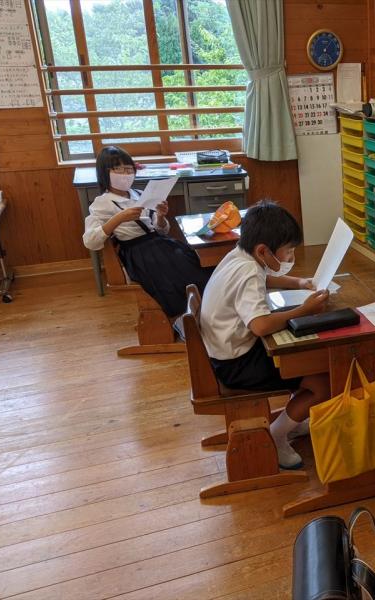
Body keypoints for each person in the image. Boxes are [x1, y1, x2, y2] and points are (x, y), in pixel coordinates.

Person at [199, 199, 331, 469]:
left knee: (307, 359)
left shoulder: (240, 255)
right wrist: (304, 310)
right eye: (288, 251)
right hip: (237, 365)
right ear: (263, 251)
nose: (291, 258)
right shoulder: (249, 272)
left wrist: (298, 282)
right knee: (322, 382)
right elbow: (260, 325)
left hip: (223, 353)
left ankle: (293, 419)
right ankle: (277, 435)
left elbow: (264, 278)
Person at [82, 146, 210, 318]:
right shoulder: (101, 203)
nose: (125, 174)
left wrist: (161, 216)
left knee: (191, 258)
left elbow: (162, 230)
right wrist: (118, 219)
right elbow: (90, 241)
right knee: (174, 272)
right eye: (118, 169)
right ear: (105, 173)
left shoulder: (139, 194)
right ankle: (185, 314)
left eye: (129, 169)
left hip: (160, 244)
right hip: (138, 253)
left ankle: (204, 306)